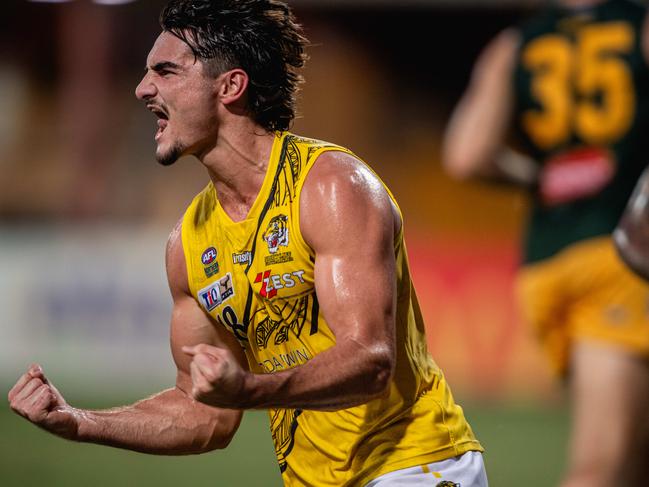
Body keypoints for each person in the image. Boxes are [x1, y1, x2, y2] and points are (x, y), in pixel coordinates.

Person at [8, 1, 486, 486]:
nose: (142, 88)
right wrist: (78, 422)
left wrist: (250, 389)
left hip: (415, 465)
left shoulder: (330, 187)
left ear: (230, 86)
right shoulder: (188, 245)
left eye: (166, 71)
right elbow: (205, 415)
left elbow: (370, 360)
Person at [443, 1, 649, 486]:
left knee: (637, 458)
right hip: (622, 262)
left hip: (546, 261)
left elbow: (467, 155)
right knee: (602, 465)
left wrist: (541, 177)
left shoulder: (514, 45)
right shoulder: (638, 24)